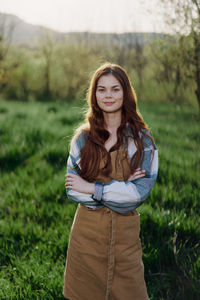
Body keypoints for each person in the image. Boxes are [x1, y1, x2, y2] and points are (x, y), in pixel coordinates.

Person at [63, 62, 158, 300]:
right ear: (93, 94)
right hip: (86, 239)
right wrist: (121, 188)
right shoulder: (82, 139)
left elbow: (138, 196)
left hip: (125, 242)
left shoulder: (142, 140)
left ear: (125, 92)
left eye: (115, 89)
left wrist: (92, 187)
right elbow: (74, 191)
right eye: (101, 89)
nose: (108, 95)